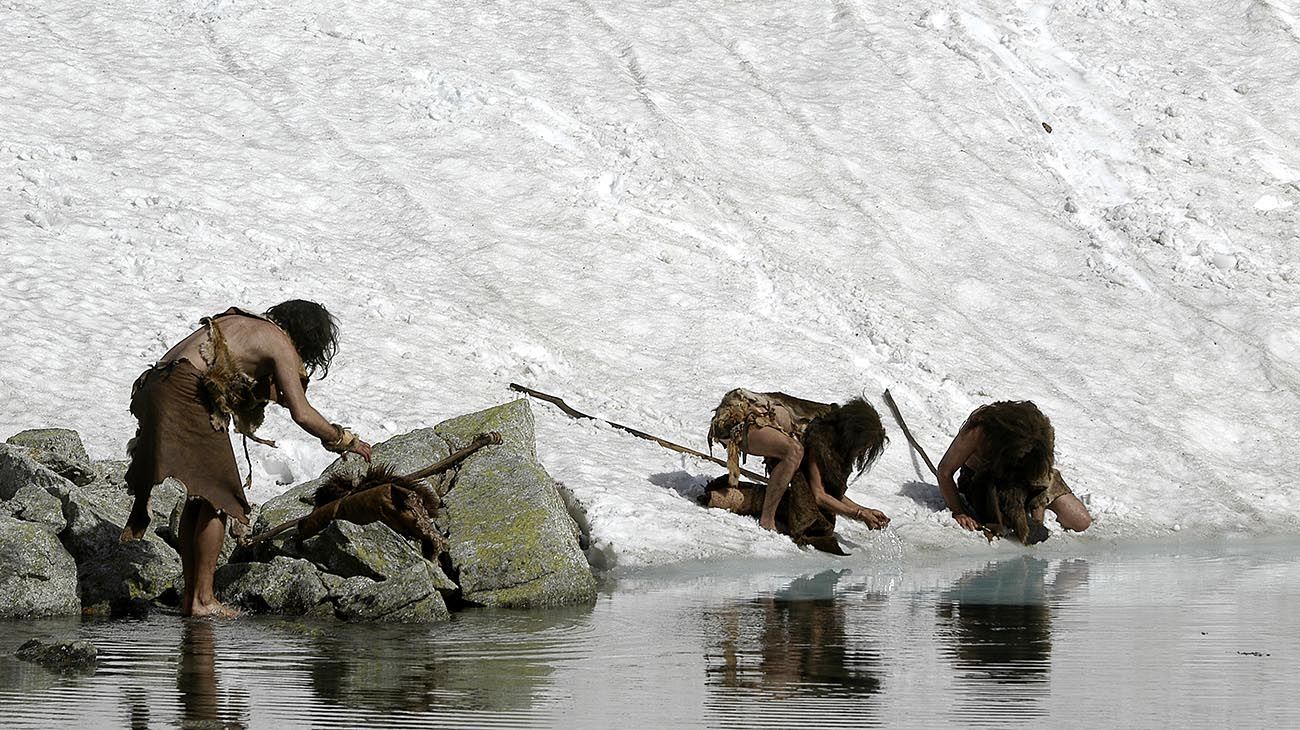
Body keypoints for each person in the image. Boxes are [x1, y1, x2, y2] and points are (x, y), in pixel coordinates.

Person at [122, 300, 372, 617]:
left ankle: (191, 598)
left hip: (156, 384)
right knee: (221, 496)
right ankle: (204, 600)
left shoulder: (243, 323)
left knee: (201, 496)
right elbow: (302, 412)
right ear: (308, 337)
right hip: (185, 388)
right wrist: (345, 440)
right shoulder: (279, 341)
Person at [705, 389, 890, 535]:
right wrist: (858, 514)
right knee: (793, 451)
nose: (861, 453)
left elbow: (829, 492)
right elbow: (819, 495)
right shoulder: (821, 435)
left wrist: (864, 510)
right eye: (863, 447)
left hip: (748, 413)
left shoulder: (830, 436)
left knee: (793, 450)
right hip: (736, 415)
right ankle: (767, 520)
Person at [936, 400, 1091, 544]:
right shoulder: (980, 430)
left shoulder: (1041, 437)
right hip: (985, 481)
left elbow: (1041, 479)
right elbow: (945, 471)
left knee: (1080, 521)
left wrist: (1037, 521)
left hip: (1029, 481)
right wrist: (959, 512)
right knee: (1003, 525)